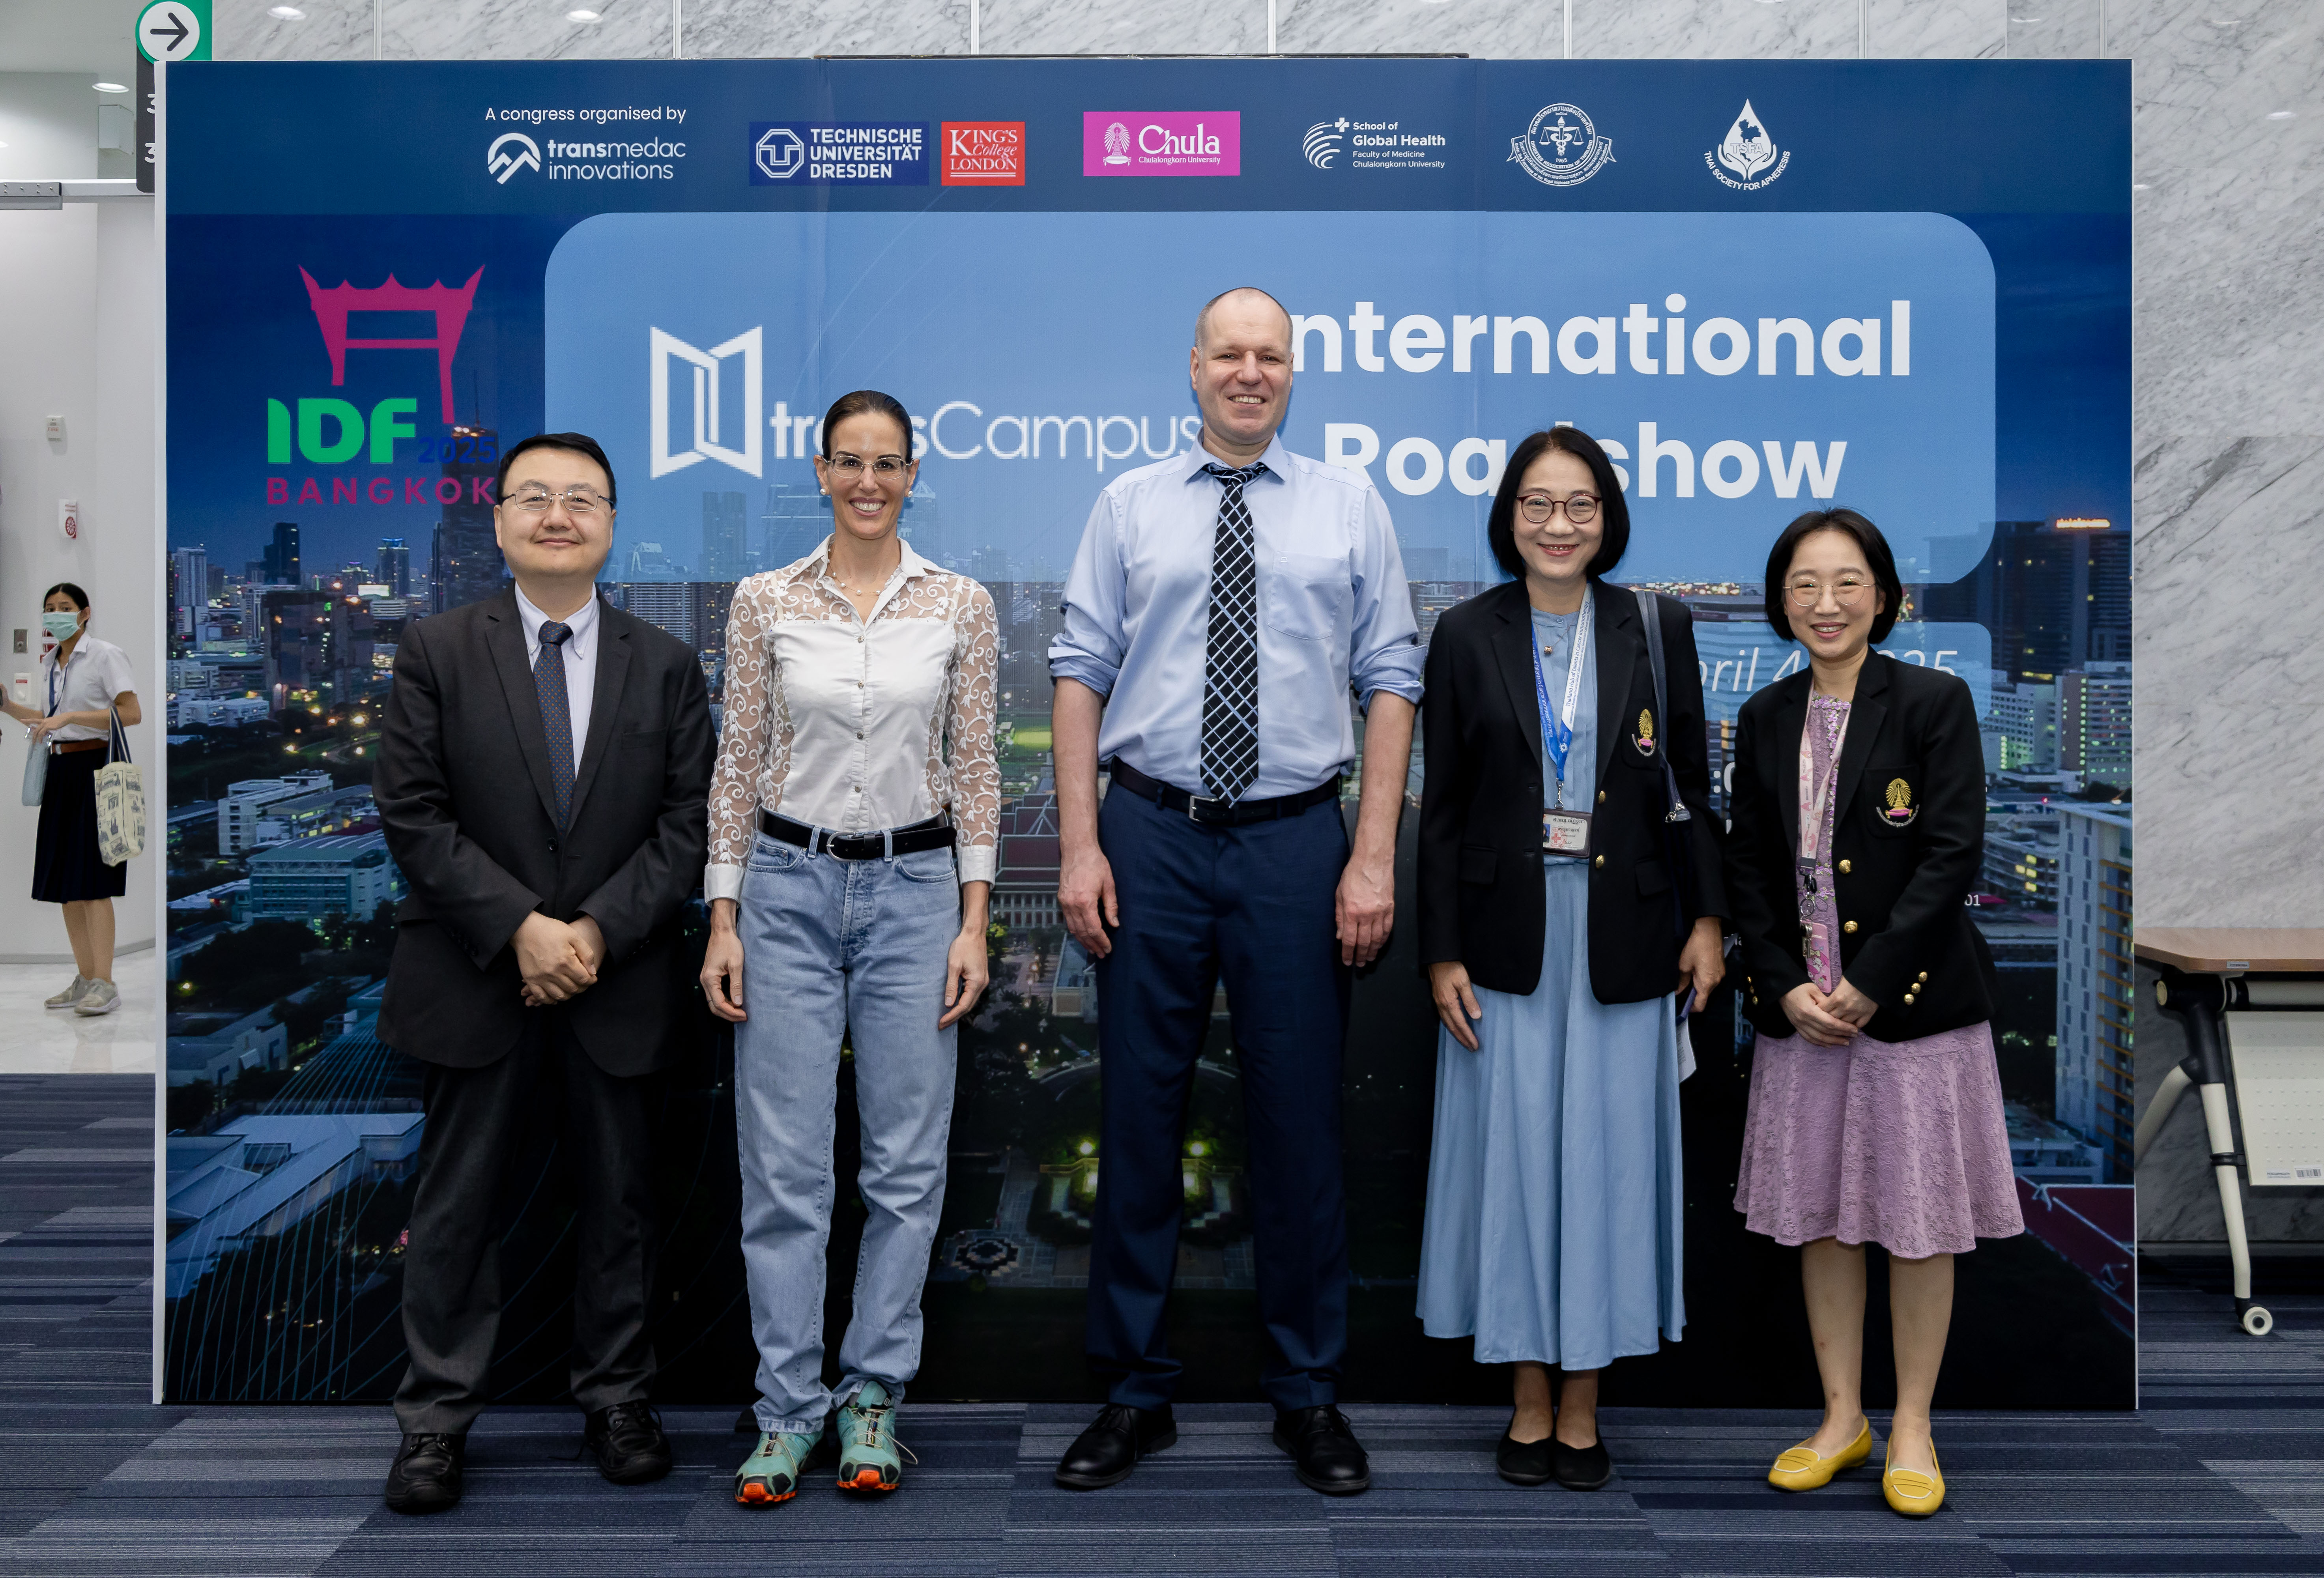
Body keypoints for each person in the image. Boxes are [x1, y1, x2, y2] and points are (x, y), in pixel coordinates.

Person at [1046, 286, 1423, 1498]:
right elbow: (1077, 672)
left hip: (1293, 843)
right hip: (1148, 834)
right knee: (1137, 1119)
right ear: (1193, 366)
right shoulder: (1126, 504)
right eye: (1229, 354)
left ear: (1292, 372)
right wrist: (1079, 847)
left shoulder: (1348, 506)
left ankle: (1307, 1394)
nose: (1249, 372)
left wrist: (1371, 856)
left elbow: (1390, 680)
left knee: (1298, 1127)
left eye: (1270, 355)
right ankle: (1131, 1391)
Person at [372, 432, 714, 1514]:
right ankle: (435, 1421)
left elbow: (689, 823)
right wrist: (520, 926)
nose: (557, 515)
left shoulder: (666, 662)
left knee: (622, 1205)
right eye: (534, 497)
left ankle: (618, 1398)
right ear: (499, 519)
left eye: (581, 498)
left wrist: (594, 934)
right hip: (473, 973)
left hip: (620, 976)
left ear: (610, 522)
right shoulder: (434, 649)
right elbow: (411, 812)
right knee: (456, 1209)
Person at [699, 389, 998, 1506]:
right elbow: (738, 764)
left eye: (887, 463)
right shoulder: (763, 598)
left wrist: (973, 920)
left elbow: (976, 766)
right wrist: (723, 918)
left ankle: (872, 1396)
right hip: (784, 889)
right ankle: (786, 1412)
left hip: (918, 892)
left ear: (912, 474)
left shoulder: (960, 601)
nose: (868, 481)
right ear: (821, 471)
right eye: (849, 462)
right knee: (783, 1173)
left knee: (905, 1168)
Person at [1414, 427, 1727, 1491]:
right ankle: (1527, 1400)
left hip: (1625, 935)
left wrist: (1707, 921)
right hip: (1503, 938)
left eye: (1580, 504)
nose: (1559, 524)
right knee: (1512, 1167)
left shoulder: (1657, 626)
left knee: (1604, 1168)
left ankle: (1584, 1403)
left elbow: (1691, 786)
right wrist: (1439, 951)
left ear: (1607, 517)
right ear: (1509, 516)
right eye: (1538, 504)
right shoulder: (1465, 632)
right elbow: (1443, 808)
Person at [1726, 508, 2023, 1518]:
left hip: (1910, 1013)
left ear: (1886, 597)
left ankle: (1911, 1424)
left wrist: (1871, 979)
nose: (1825, 603)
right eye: (1803, 584)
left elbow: (1950, 854)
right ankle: (1841, 1416)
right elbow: (1747, 867)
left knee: (1917, 1221)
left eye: (1846, 581)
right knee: (1820, 1216)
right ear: (1780, 603)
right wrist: (1781, 982)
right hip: (1804, 1013)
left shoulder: (1933, 701)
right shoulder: (1763, 717)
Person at [2, 583, 139, 1017]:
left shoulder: (104, 655)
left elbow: (131, 713)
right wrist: (7, 706)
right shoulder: (50, 663)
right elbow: (48, 722)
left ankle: (106, 983)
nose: (56, 614)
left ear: (84, 613)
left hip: (95, 769)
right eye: (49, 608)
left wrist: (73, 716)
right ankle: (85, 977)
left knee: (95, 883)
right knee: (67, 886)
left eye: (65, 607)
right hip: (60, 772)